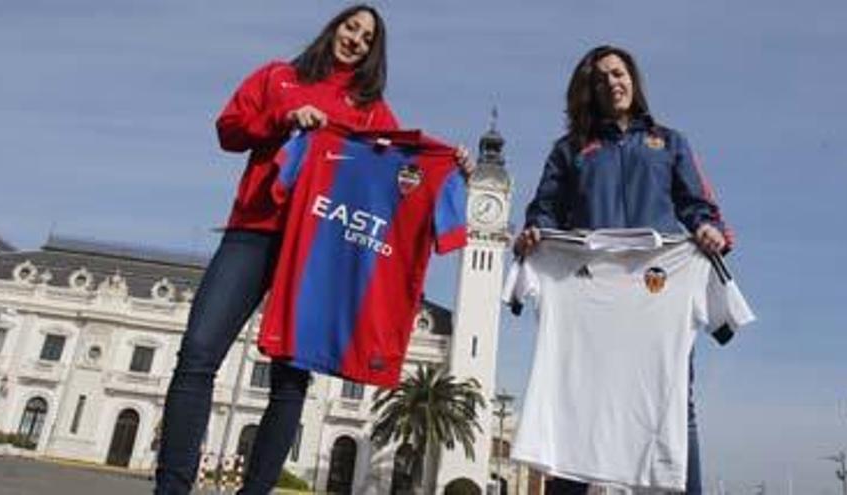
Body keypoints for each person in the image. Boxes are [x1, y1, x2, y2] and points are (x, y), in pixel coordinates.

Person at [155, 5, 471, 494]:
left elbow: (398, 168)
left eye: (368, 38)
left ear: (373, 52)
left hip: (317, 248)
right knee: (197, 354)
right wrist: (284, 117)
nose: (356, 40)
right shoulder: (278, 77)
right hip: (254, 229)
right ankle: (171, 487)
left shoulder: (371, 110)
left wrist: (449, 163)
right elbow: (228, 130)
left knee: (290, 381)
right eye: (352, 27)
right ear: (334, 27)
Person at [514, 45, 731, 495]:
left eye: (618, 72)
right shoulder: (571, 149)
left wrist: (710, 230)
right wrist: (536, 231)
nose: (612, 82)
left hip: (658, 290)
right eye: (600, 78)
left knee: (672, 400)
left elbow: (698, 206)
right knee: (576, 400)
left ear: (633, 78)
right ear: (588, 92)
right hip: (590, 291)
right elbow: (545, 209)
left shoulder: (670, 142)